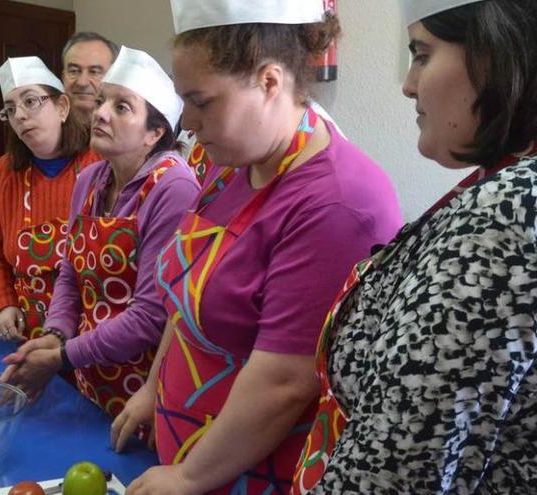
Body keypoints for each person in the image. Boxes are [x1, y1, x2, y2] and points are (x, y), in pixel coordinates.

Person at [113, 1, 404, 494]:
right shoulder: (228, 165)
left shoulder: (337, 202)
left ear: (270, 82)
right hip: (188, 454)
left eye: (202, 102)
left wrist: (188, 476)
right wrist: (152, 385)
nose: (187, 123)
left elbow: (285, 381)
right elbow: (186, 304)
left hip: (253, 473)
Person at [293, 1, 537, 492]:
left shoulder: (506, 216)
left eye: (422, 54)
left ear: (496, 54)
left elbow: (392, 473)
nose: (408, 84)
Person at [0, 46, 201, 417]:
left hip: (143, 393)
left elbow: (150, 317)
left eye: (121, 107)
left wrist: (61, 356)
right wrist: (54, 334)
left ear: (154, 132)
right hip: (90, 380)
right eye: (103, 101)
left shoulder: (173, 187)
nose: (100, 113)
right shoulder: (92, 177)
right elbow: (69, 274)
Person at [0, 56, 99, 342]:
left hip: (90, 335)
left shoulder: (100, 165)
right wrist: (3, 304)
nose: (19, 115)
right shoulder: (6, 172)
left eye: (30, 101)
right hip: (27, 334)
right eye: (10, 109)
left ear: (62, 107)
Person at [60, 31, 118, 120]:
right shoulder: (47, 129)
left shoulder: (126, 130)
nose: (82, 82)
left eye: (94, 72)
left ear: (114, 79)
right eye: (74, 71)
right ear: (63, 77)